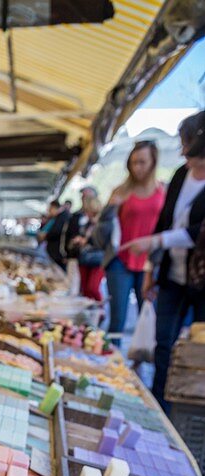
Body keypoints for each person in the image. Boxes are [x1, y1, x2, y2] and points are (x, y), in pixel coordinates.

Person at [123, 111, 205, 407]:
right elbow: (165, 222)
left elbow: (198, 233)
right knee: (163, 342)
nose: (182, 149)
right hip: (171, 273)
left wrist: (156, 241)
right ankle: (158, 405)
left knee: (197, 349)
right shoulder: (182, 175)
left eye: (186, 142)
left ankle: (188, 408)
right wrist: (150, 268)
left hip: (201, 280)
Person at [103, 140, 165, 342]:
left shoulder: (162, 192)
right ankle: (111, 365)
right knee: (118, 317)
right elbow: (102, 227)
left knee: (146, 315)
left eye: (142, 162)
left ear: (153, 162)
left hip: (149, 263)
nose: (137, 167)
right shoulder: (120, 191)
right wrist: (111, 207)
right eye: (133, 162)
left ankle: (140, 360)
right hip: (120, 260)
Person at [64, 188, 105, 301]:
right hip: (84, 258)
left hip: (97, 259)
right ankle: (90, 313)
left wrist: (85, 240)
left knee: (93, 288)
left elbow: (103, 241)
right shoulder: (86, 222)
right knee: (85, 289)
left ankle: (100, 310)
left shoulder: (103, 222)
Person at [44, 200, 71, 269]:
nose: (49, 211)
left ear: (54, 207)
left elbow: (56, 231)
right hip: (56, 253)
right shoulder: (60, 216)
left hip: (58, 255)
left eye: (50, 209)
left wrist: (45, 236)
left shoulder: (63, 216)